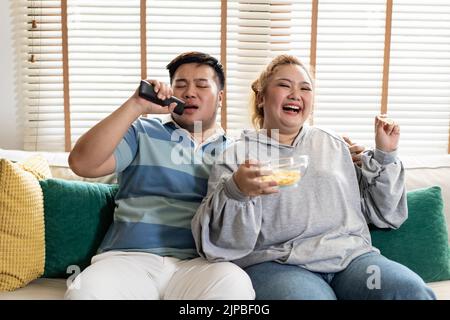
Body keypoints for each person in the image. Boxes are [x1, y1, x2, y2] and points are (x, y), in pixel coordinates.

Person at [191, 54, 436, 300]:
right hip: (279, 265)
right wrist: (237, 190)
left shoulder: (332, 143)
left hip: (352, 261)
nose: (296, 94)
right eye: (284, 85)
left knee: (410, 291)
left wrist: (385, 156)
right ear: (262, 97)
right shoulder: (236, 155)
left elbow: (385, 214)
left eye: (305, 88)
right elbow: (218, 244)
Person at [65, 51, 255, 300]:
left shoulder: (236, 151)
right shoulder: (141, 132)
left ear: (220, 97)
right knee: (85, 293)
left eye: (201, 84)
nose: (189, 92)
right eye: (181, 84)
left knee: (235, 285)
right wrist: (137, 105)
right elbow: (82, 164)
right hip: (128, 260)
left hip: (199, 265)